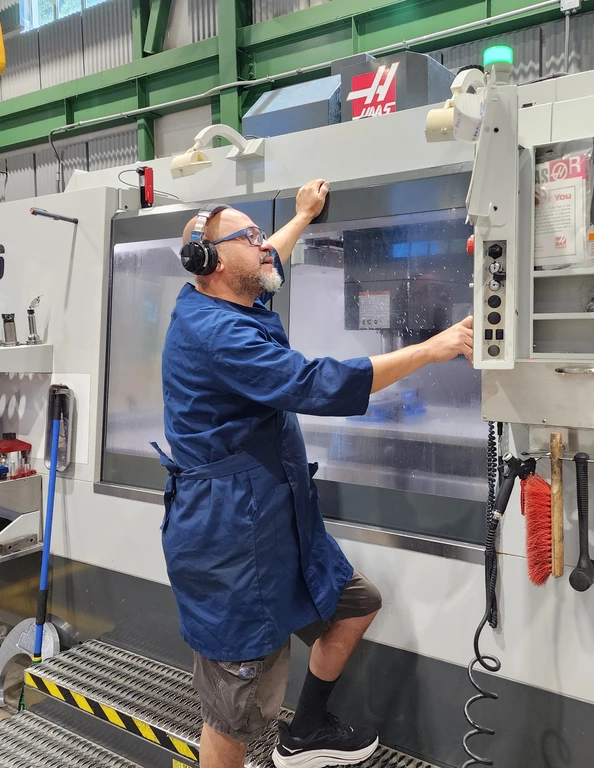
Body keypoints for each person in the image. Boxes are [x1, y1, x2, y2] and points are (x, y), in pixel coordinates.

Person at [156, 179, 474, 768]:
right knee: (234, 712)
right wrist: (434, 348)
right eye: (250, 236)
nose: (264, 243)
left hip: (277, 521)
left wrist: (302, 217)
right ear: (214, 260)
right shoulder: (219, 333)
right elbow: (315, 383)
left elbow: (264, 257)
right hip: (232, 540)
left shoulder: (228, 296)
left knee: (355, 604)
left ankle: (304, 732)